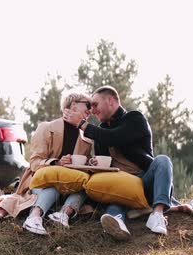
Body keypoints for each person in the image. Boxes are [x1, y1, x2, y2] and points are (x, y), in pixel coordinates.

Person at [64, 85, 172, 240]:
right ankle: (117, 223)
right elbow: (105, 164)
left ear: (110, 100)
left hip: (145, 181)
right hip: (121, 186)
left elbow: (115, 137)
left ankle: (157, 214)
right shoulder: (101, 130)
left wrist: (82, 124)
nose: (93, 111)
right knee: (115, 201)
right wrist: (96, 163)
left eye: (95, 105)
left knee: (163, 160)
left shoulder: (135, 118)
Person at [21, 92, 94, 235]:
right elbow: (34, 163)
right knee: (52, 187)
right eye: (87, 106)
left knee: (86, 185)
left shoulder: (86, 140)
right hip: (41, 182)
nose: (90, 111)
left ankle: (63, 215)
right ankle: (33, 218)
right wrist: (56, 163)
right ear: (73, 105)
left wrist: (90, 162)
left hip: (68, 186)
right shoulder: (46, 128)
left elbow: (83, 169)